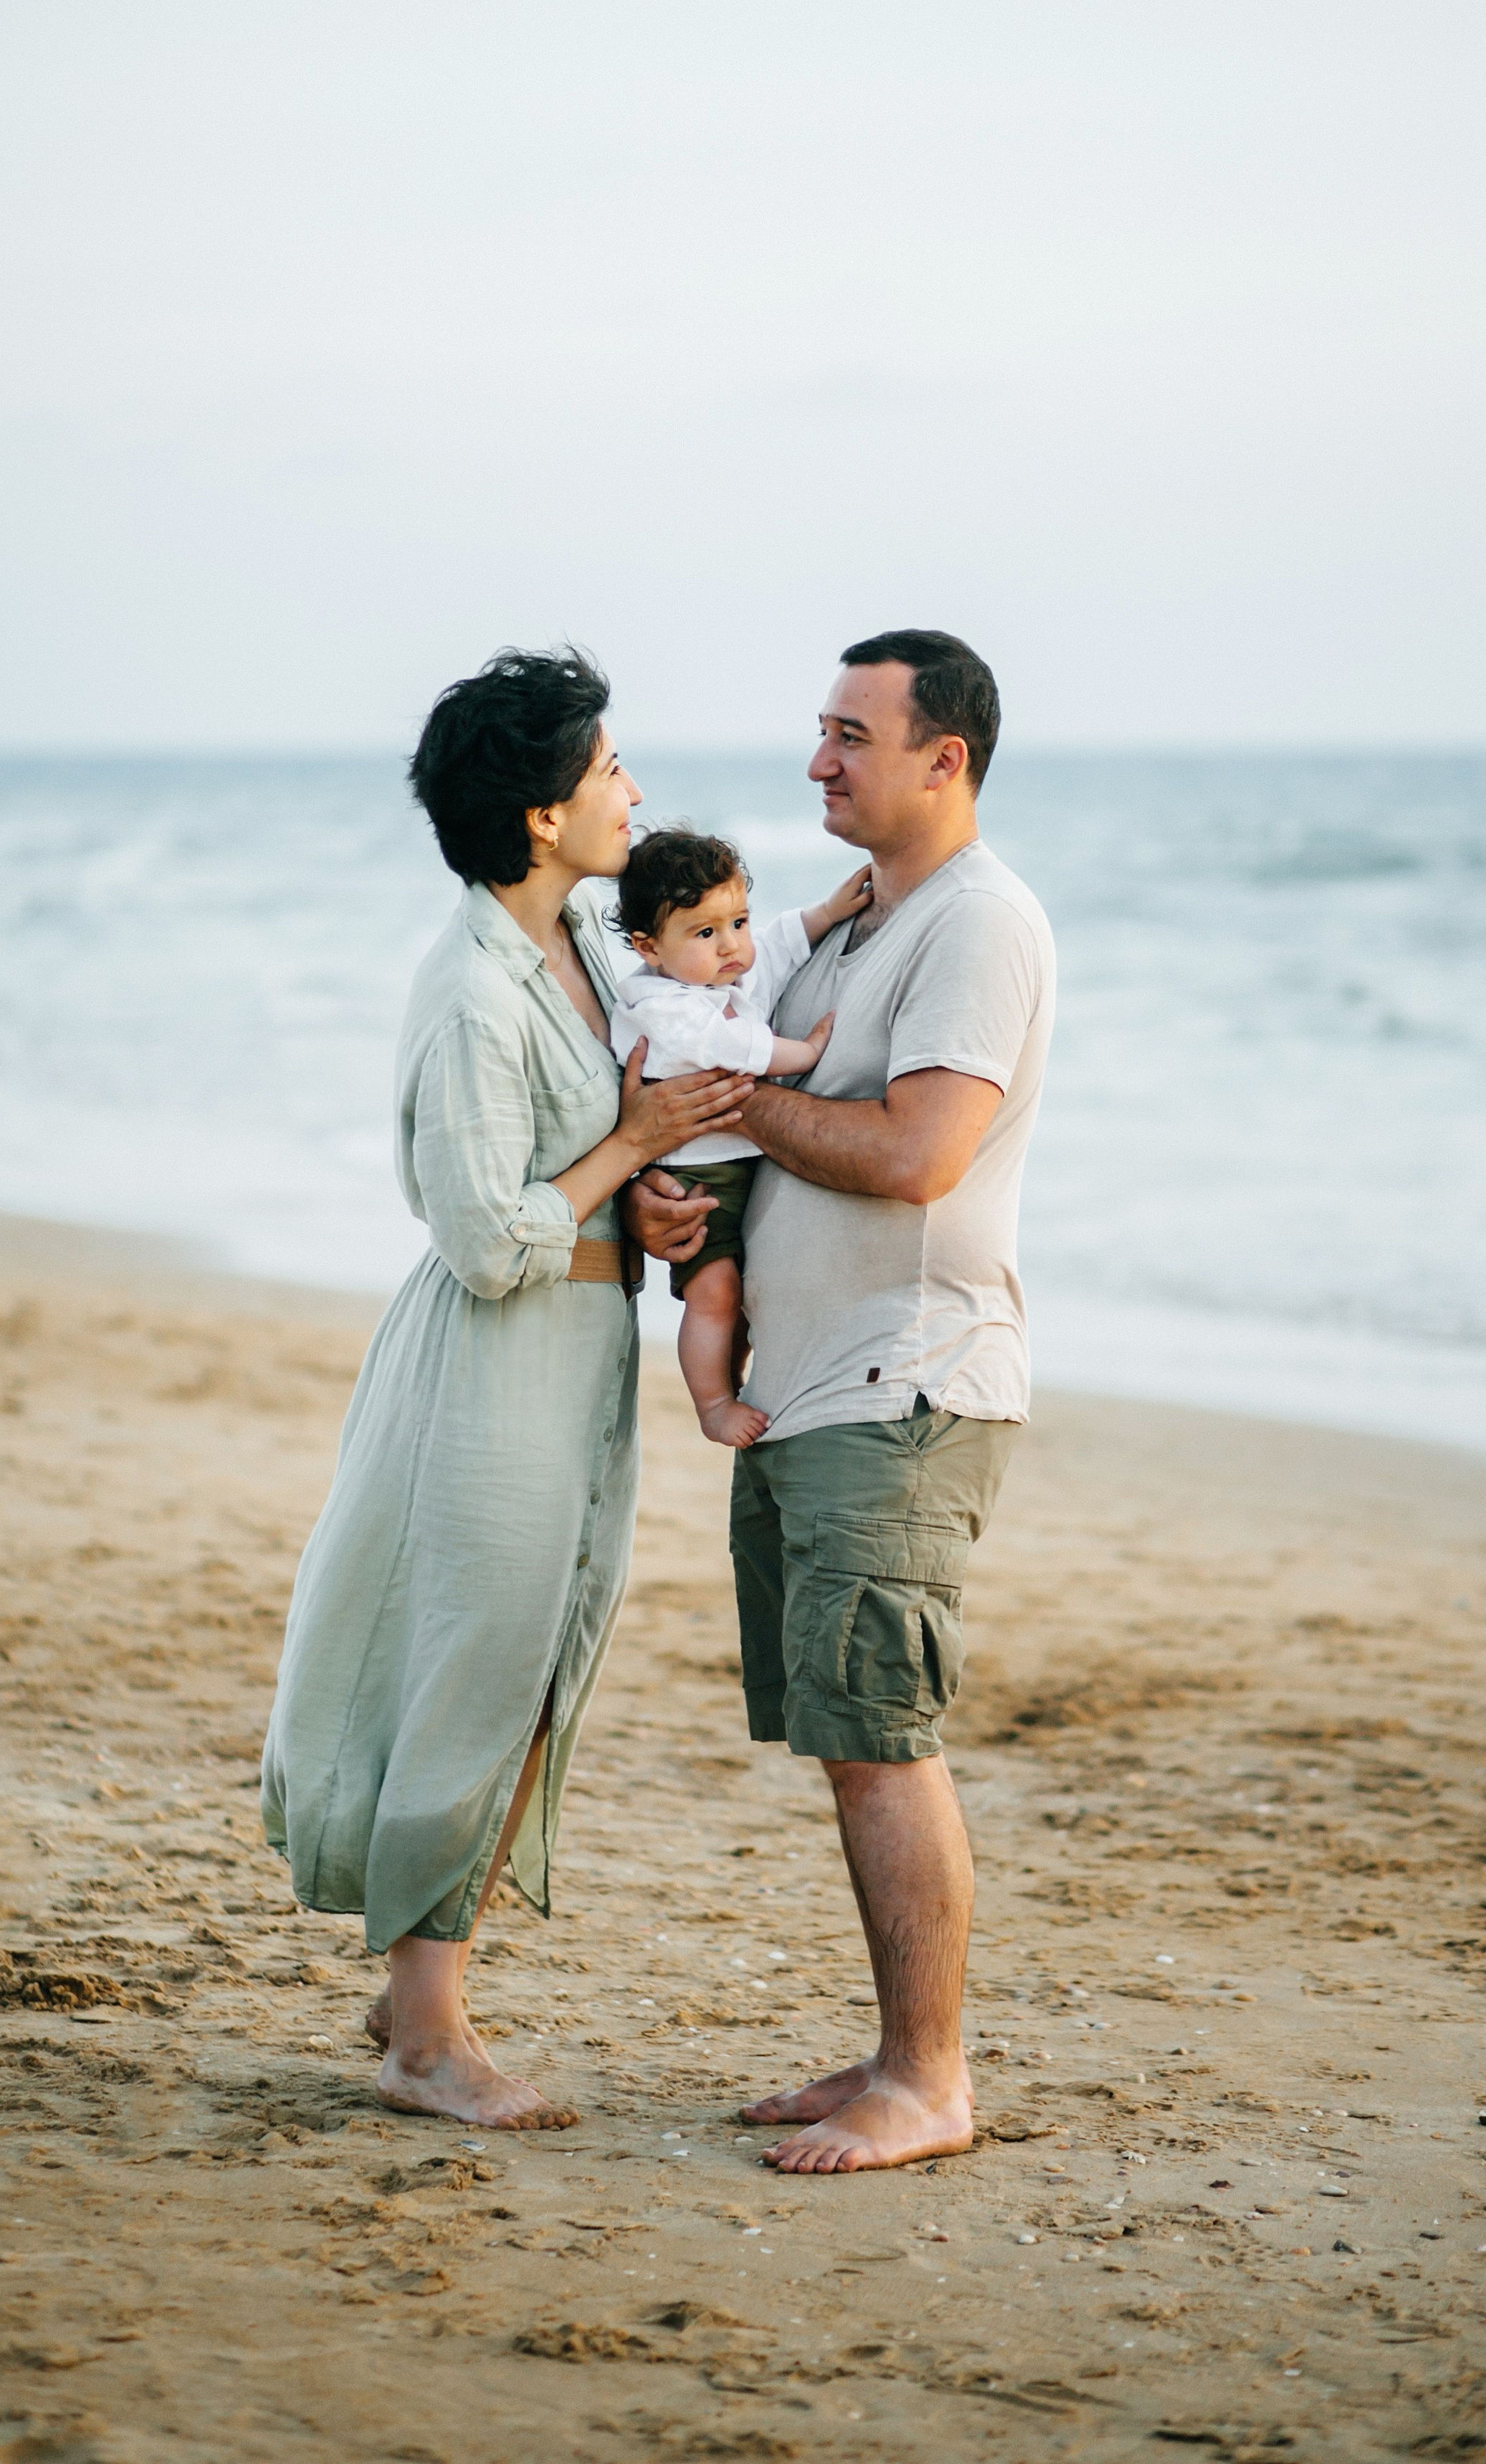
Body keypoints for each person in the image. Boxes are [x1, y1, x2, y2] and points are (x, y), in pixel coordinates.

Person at [261, 647, 753, 2131]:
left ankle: (423, 1994)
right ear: (540, 814)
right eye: (608, 768)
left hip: (576, 1352)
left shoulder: (592, 950)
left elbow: (601, 1146)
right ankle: (425, 2044)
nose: (633, 790)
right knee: (478, 1670)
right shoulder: (468, 984)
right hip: (492, 1364)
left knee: (536, 1665)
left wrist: (651, 1206)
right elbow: (480, 1234)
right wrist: (623, 1154)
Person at [625, 629, 1055, 2173]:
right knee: (844, 1728)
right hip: (812, 1385)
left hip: (907, 1376)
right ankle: (892, 2051)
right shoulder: (856, 925)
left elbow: (914, 1153)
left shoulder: (978, 927)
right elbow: (773, 1121)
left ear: (943, 759)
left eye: (849, 736)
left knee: (882, 1728)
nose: (817, 760)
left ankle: (930, 2083)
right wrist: (679, 1214)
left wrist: (737, 1106)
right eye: (818, 731)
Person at [607, 826, 871, 1447]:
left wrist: (827, 914)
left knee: (745, 1294)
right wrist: (802, 1051)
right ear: (649, 946)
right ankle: (713, 1402)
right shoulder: (659, 1005)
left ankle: (739, 1373)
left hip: (740, 1164)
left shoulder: (711, 979)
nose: (730, 945)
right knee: (714, 1294)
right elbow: (729, 1046)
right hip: (699, 1177)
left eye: (738, 922)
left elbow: (776, 949)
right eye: (705, 933)